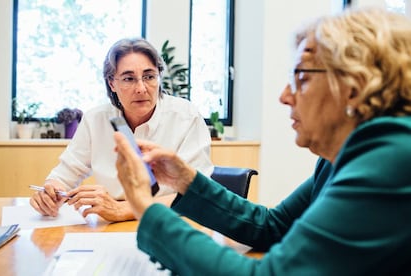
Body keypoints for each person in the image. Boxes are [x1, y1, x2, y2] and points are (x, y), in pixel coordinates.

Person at [113, 8, 411, 275]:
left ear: (354, 86)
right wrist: (187, 181)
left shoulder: (393, 157)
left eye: (301, 78)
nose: (284, 96)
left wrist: (146, 207)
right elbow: (273, 226)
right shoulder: (340, 157)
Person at [29, 37, 213, 222]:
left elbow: (198, 194)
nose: (141, 88)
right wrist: (50, 192)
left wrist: (124, 209)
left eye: (149, 76)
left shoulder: (186, 117)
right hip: (110, 225)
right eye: (128, 79)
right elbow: (66, 173)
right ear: (112, 83)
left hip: (171, 221)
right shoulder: (95, 119)